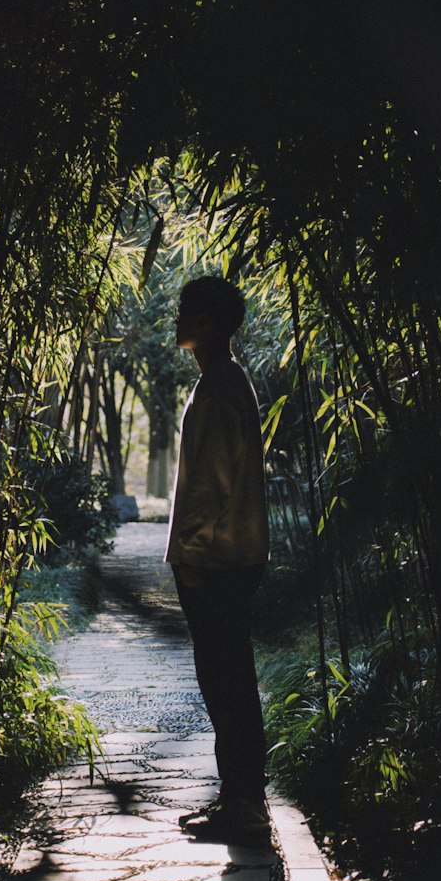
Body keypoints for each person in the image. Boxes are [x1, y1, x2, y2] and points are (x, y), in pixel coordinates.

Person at [165, 275, 271, 842]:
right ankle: (241, 799)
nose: (176, 319)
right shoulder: (227, 382)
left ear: (205, 323)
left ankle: (245, 806)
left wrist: (192, 557)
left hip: (220, 561)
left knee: (225, 679)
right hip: (233, 556)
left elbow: (210, 486)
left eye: (185, 311)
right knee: (229, 677)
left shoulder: (220, 388)